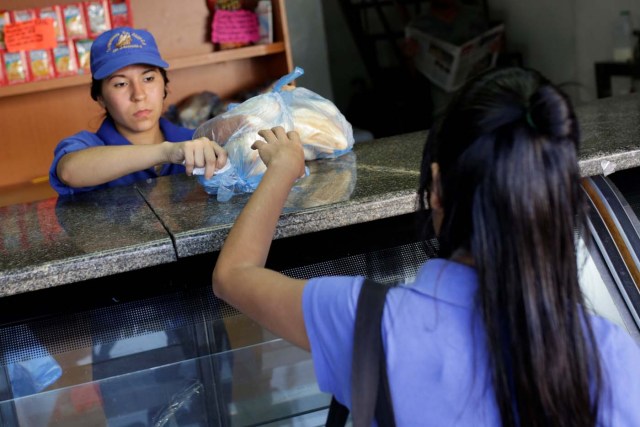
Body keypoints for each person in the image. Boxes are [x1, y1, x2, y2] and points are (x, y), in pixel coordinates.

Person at [211, 67, 640, 425]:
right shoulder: (616, 360)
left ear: (436, 188)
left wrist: (283, 169)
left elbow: (233, 275)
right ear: (556, 202)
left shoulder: (363, 321)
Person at [49, 27, 227, 196]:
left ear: (164, 86)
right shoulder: (88, 146)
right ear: (101, 98)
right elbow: (69, 171)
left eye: (148, 79)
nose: (139, 95)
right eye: (120, 84)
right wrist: (165, 152)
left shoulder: (195, 140)